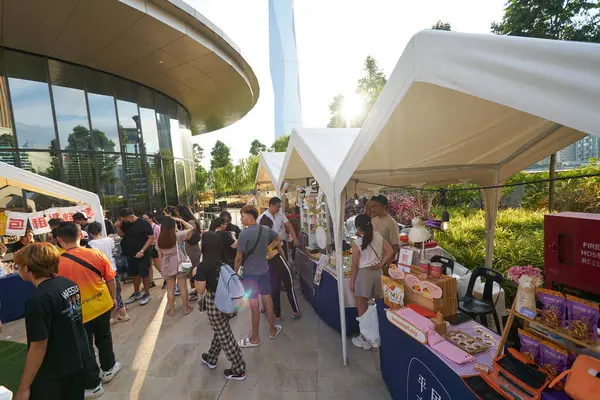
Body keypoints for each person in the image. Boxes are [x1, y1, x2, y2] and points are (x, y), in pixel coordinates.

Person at [13, 243, 90, 400]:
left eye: (18, 265)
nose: (17, 269)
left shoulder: (38, 300)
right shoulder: (68, 284)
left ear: (26, 268)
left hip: (55, 371)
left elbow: (38, 345)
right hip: (78, 359)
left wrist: (23, 387)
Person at [54, 222, 121, 398]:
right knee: (104, 337)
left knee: (85, 346)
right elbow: (110, 280)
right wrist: (113, 298)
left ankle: (92, 384)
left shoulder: (55, 263)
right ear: (81, 235)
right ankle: (109, 368)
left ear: (59, 239)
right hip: (101, 303)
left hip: (76, 311)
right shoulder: (96, 254)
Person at [194, 231, 246, 381]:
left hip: (214, 303)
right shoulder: (222, 261)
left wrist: (195, 274)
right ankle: (211, 357)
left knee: (225, 336)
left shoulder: (204, 266)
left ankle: (239, 369)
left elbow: (200, 290)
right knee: (221, 331)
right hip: (228, 301)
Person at [234, 205, 283, 347]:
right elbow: (279, 238)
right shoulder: (265, 230)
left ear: (250, 217)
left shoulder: (244, 234)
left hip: (250, 275)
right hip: (264, 271)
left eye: (242, 216)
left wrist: (234, 272)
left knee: (254, 306)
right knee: (267, 300)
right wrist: (268, 249)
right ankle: (272, 330)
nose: (241, 219)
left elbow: (238, 258)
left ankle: (255, 338)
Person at [350, 214, 393, 350]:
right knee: (378, 305)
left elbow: (354, 265)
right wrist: (381, 264)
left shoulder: (357, 243)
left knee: (361, 306)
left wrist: (352, 282)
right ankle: (377, 336)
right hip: (377, 274)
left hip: (363, 275)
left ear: (358, 227)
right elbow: (390, 251)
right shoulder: (378, 236)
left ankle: (365, 338)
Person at [259, 217, 301, 322]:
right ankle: (295, 311)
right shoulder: (271, 234)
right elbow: (280, 249)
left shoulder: (258, 237)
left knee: (275, 290)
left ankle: (277, 315)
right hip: (278, 262)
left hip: (268, 265)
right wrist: (286, 261)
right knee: (289, 286)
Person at [87, 222, 130, 324]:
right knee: (116, 292)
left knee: (105, 295)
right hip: (112, 269)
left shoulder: (90, 245)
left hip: (100, 273)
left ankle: (110, 318)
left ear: (90, 232)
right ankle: (123, 314)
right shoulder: (109, 240)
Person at [157, 216, 195, 316]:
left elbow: (160, 255)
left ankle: (172, 310)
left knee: (170, 289)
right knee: (183, 287)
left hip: (166, 265)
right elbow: (191, 228)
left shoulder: (159, 239)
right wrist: (181, 220)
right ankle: (186, 308)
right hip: (179, 264)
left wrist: (162, 269)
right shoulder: (177, 236)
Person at [119, 208, 154, 306]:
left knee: (144, 273)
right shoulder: (125, 224)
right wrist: (118, 227)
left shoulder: (144, 223)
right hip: (130, 253)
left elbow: (151, 237)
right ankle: (136, 292)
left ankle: (147, 293)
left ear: (130, 216)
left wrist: (142, 250)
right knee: (134, 274)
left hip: (142, 253)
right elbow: (122, 235)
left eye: (125, 219)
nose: (124, 221)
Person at [177, 205, 202, 301]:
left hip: (193, 250)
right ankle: (195, 290)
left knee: (194, 270)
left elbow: (188, 237)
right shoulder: (191, 221)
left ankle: (197, 290)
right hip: (191, 249)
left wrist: (179, 233)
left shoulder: (190, 222)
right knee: (192, 270)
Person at [370, 195, 400, 265]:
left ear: (384, 206)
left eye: (375, 206)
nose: (372, 209)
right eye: (372, 206)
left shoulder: (391, 222)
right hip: (374, 260)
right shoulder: (373, 220)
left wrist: (387, 264)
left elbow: (395, 245)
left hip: (387, 261)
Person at [142, 212, 162, 289]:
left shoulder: (156, 227)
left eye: (146, 218)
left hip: (155, 248)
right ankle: (151, 282)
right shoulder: (143, 227)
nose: (144, 220)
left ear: (151, 218)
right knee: (149, 266)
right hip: (147, 248)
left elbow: (160, 238)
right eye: (143, 219)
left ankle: (166, 280)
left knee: (158, 265)